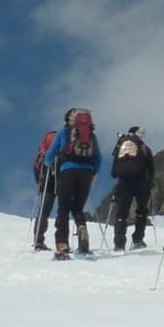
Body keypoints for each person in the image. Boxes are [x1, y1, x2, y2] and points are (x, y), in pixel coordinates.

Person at [44, 107, 101, 259]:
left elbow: (49, 155)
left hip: (68, 170)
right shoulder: (91, 135)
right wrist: (93, 173)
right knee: (78, 208)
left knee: (63, 208)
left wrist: (48, 162)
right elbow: (98, 158)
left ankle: (62, 244)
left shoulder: (63, 132)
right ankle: (82, 232)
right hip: (87, 173)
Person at [108, 125, 155, 251]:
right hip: (141, 183)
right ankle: (137, 240)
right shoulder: (145, 148)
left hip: (123, 182)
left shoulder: (120, 147)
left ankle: (119, 244)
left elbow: (114, 170)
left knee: (121, 213)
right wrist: (150, 182)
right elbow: (151, 167)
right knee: (141, 211)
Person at [31, 126, 60, 252]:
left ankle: (38, 240)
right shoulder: (60, 148)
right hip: (62, 180)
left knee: (43, 211)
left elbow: (36, 168)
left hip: (46, 183)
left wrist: (39, 182)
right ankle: (63, 242)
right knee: (64, 210)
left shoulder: (42, 152)